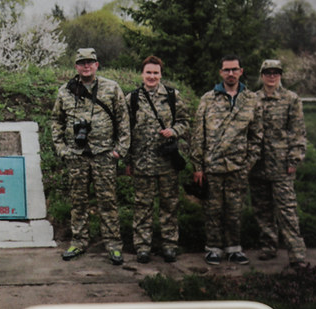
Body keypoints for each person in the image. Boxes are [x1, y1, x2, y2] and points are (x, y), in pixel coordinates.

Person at [51, 48, 132, 265]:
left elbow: (124, 121)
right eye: (81, 62)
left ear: (97, 65)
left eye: (90, 62)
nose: (86, 66)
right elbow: (56, 122)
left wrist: (120, 150)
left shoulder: (111, 88)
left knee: (108, 201)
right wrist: (62, 149)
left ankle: (113, 245)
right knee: (78, 202)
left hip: (104, 155)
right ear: (76, 66)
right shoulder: (65, 91)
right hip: (77, 156)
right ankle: (78, 241)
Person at [189, 55, 262, 266]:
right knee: (212, 210)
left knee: (234, 210)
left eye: (234, 69)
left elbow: (256, 136)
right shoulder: (208, 99)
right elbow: (198, 135)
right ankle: (213, 248)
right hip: (212, 166)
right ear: (221, 73)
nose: (230, 73)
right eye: (226, 70)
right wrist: (198, 166)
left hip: (238, 167)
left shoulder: (251, 100)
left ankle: (234, 248)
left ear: (241, 71)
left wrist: (248, 164)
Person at [127, 56, 189, 264]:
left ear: (161, 74)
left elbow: (185, 122)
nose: (152, 76)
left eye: (155, 73)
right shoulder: (133, 99)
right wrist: (128, 161)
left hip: (167, 164)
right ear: (142, 74)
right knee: (142, 206)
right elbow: (126, 132)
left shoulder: (172, 96)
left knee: (169, 206)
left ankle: (169, 246)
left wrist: (173, 130)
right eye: (148, 72)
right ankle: (142, 247)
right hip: (142, 163)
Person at [251, 59, 308, 268]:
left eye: (276, 72)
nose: (272, 76)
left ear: (280, 75)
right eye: (268, 72)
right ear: (262, 75)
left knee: (287, 210)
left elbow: (298, 131)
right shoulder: (253, 99)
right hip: (257, 164)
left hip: (281, 164)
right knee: (262, 208)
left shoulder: (291, 99)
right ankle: (268, 246)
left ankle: (297, 253)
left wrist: (295, 158)